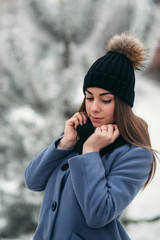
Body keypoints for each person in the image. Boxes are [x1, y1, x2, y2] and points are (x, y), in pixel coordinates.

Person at [25, 32, 157, 240]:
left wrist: (91, 152)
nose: (94, 108)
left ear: (122, 103)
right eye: (89, 97)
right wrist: (64, 144)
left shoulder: (135, 154)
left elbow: (99, 214)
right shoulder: (78, 135)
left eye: (105, 100)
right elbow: (33, 181)